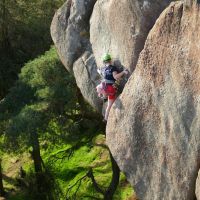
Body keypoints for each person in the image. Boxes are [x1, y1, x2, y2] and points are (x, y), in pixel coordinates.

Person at [96, 53, 128, 122]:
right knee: (109, 105)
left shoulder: (104, 69)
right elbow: (115, 77)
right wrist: (123, 72)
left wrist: (99, 72)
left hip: (107, 89)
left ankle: (105, 118)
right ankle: (105, 118)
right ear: (110, 60)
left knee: (98, 87)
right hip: (112, 90)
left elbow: (104, 74)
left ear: (104, 62)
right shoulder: (113, 68)